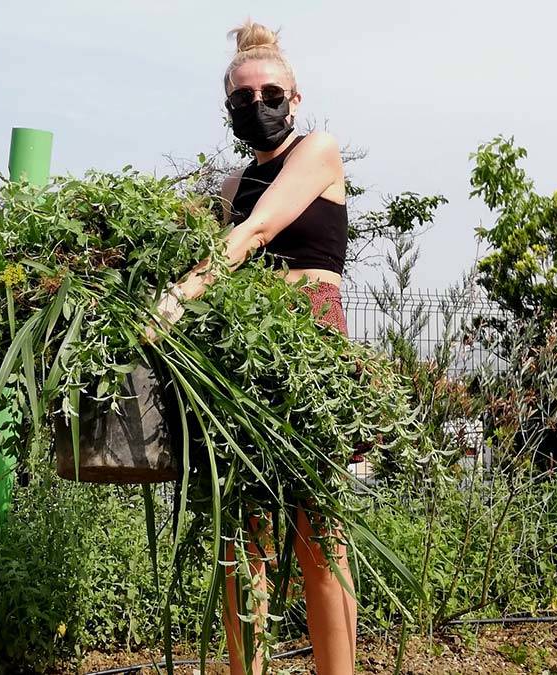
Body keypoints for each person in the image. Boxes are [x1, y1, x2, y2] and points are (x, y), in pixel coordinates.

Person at [147, 19, 355, 675]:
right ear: (228, 107)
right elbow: (197, 240)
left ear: (295, 98)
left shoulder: (317, 150)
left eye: (270, 94)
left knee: (319, 532)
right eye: (243, 98)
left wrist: (181, 293)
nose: (257, 105)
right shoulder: (231, 187)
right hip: (245, 354)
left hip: (310, 347)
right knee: (243, 533)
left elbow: (257, 232)